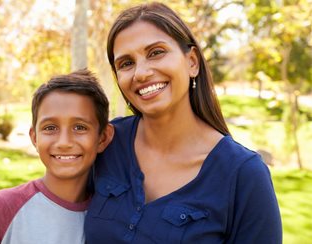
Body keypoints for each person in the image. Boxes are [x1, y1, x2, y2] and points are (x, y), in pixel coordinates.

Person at [84, 2, 282, 243]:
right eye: (126, 63)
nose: (141, 73)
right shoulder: (107, 143)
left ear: (192, 62)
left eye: (156, 52)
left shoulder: (243, 175)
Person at [0, 69, 114, 244]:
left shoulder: (112, 219)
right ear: (34, 137)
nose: (64, 142)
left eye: (80, 127)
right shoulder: (3, 208)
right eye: (50, 128)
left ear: (103, 137)